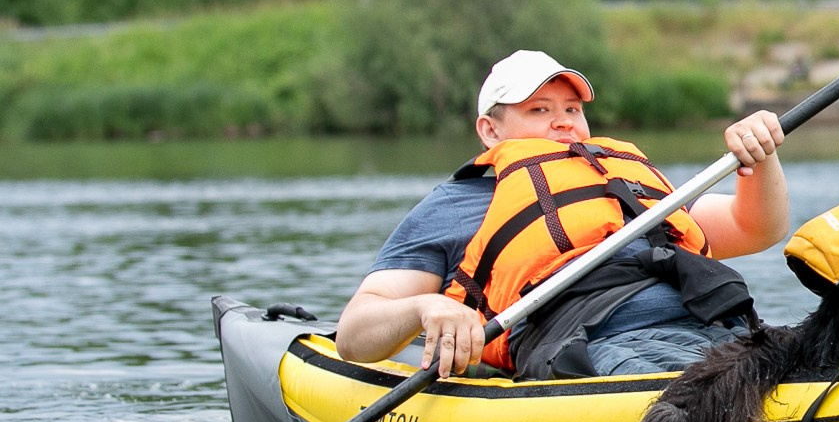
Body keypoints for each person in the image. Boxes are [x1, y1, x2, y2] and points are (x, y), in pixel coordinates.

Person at [336, 50, 790, 378]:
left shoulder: (624, 181)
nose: (564, 121)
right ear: (490, 130)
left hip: (717, 327)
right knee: (709, 385)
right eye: (540, 110)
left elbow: (756, 228)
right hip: (596, 346)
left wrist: (760, 157)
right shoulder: (456, 206)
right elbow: (354, 335)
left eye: (572, 108)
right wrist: (424, 306)